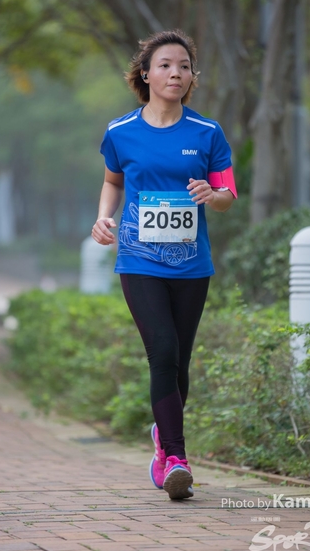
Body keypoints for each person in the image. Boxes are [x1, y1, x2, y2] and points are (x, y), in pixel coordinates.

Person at [92, 29, 237, 500]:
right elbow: (113, 181)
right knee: (163, 349)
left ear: (192, 77)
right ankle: (176, 458)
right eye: (165, 65)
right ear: (145, 74)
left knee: (180, 363)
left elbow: (228, 194)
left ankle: (162, 437)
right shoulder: (120, 132)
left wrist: (212, 194)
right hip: (139, 259)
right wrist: (104, 217)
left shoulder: (207, 133)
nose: (176, 73)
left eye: (184, 66)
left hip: (192, 264)